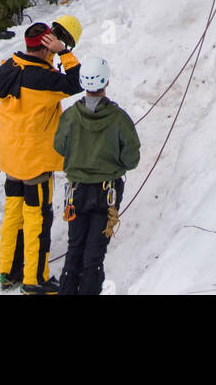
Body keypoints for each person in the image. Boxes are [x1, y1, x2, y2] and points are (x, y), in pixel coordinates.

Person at [0, 18, 82, 294]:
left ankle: (9, 271)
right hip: (35, 163)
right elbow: (77, 82)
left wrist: (50, 55)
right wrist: (64, 51)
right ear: (45, 48)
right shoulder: (44, 79)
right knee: (38, 221)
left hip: (12, 158)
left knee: (13, 216)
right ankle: (35, 279)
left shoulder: (9, 67)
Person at [54, 56, 140, 296]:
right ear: (106, 82)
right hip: (106, 192)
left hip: (77, 192)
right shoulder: (118, 118)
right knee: (94, 255)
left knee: (75, 249)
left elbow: (60, 146)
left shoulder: (70, 117)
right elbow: (132, 158)